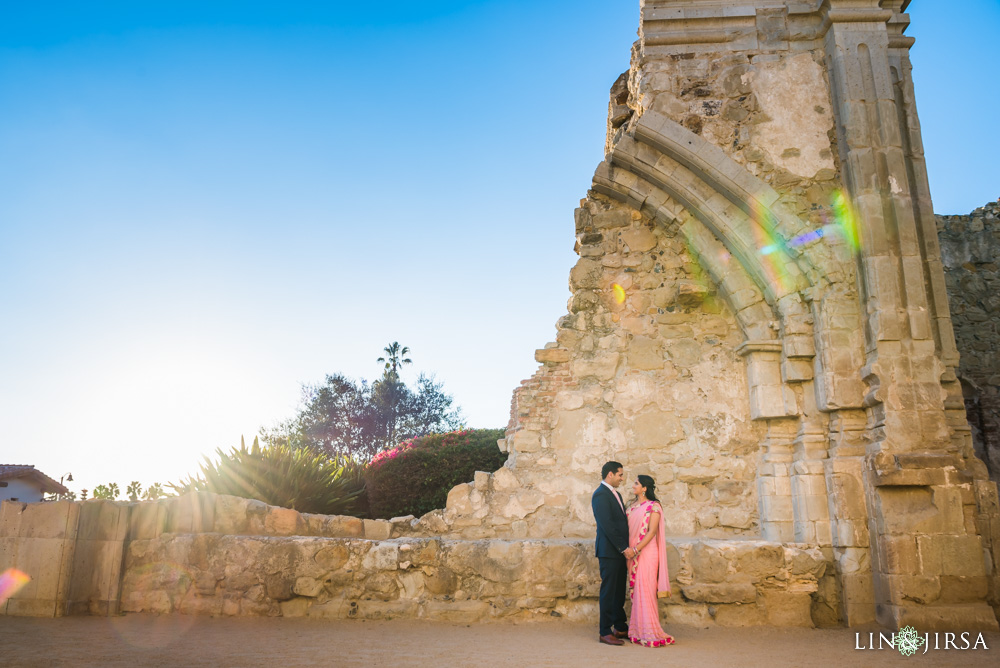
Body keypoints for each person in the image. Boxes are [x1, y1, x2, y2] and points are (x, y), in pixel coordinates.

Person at [626, 474, 675, 647]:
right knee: (637, 591)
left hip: (646, 552)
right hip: (632, 554)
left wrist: (635, 550)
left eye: (636, 483)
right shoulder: (631, 506)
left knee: (645, 590)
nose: (633, 486)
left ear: (644, 488)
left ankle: (651, 631)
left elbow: (651, 532)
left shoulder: (654, 506)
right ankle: (637, 631)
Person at [591, 460, 636, 646]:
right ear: (610, 474)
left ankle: (619, 626)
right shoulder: (600, 495)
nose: (622, 478)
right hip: (609, 552)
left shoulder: (615, 494)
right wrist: (623, 548)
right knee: (609, 591)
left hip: (618, 552)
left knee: (619, 591)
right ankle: (604, 631)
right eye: (620, 475)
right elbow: (607, 525)